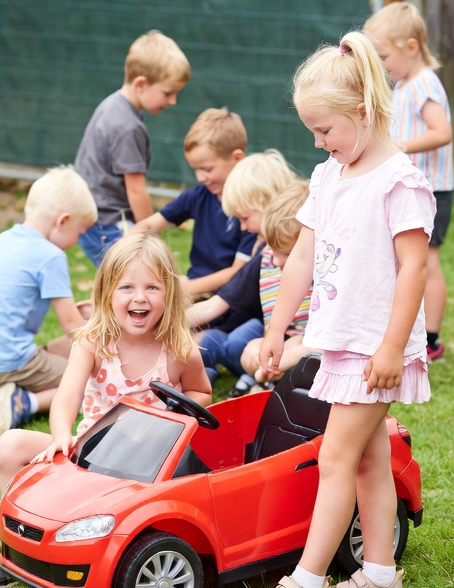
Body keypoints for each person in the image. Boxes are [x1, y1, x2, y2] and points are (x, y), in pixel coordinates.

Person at [240, 31, 434, 588]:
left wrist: (392, 348)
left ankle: (305, 583)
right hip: (341, 342)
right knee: (369, 457)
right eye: (313, 133)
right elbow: (301, 255)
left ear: (366, 112)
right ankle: (379, 576)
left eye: (326, 129)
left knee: (334, 457)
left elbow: (414, 270)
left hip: (376, 347)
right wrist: (275, 332)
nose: (320, 142)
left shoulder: (398, 181)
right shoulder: (329, 175)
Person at [0, 231, 211, 588]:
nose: (140, 298)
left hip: (149, 468)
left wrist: (177, 416)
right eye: (127, 288)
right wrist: (61, 435)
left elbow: (201, 390)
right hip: (92, 454)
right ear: (106, 292)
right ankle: (19, 547)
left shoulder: (178, 349)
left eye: (152, 287)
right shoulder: (93, 342)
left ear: (169, 293)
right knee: (10, 444)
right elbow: (66, 397)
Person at [0, 167, 97, 445]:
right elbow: (71, 325)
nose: (79, 240)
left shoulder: (3, 239)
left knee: (57, 356)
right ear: (63, 221)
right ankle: (21, 402)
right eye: (81, 231)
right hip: (4, 360)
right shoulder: (50, 256)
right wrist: (103, 362)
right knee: (86, 380)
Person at [365, 1, 454, 362]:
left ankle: (431, 340)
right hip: (411, 189)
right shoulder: (403, 86)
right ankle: (410, 330)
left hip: (431, 189)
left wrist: (397, 146)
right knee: (406, 263)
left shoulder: (423, 84)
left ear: (411, 47)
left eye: (383, 57)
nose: (381, 67)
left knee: (426, 264)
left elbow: (442, 132)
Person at [185, 150, 298, 395]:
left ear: (268, 204)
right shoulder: (265, 255)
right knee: (222, 339)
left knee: (233, 341)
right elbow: (215, 305)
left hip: (295, 345)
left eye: (245, 218)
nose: (244, 228)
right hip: (265, 337)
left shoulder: (300, 252)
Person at [74, 30, 191, 266]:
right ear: (140, 84)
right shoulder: (127, 126)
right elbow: (136, 191)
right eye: (168, 93)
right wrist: (150, 238)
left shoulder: (111, 105)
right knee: (136, 275)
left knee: (122, 285)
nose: (173, 101)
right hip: (108, 224)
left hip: (92, 219)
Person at [133, 107, 256, 298]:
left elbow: (237, 272)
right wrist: (122, 253)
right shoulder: (198, 196)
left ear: (237, 159)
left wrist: (180, 289)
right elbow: (149, 225)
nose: (200, 177)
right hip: (193, 287)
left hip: (228, 297)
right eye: (195, 170)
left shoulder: (252, 210)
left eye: (207, 169)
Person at [235, 179, 319, 390]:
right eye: (273, 251)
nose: (277, 261)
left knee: (300, 346)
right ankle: (270, 375)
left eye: (288, 254)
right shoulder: (269, 263)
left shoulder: (326, 276)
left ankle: (268, 378)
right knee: (250, 349)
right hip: (280, 343)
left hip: (312, 346)